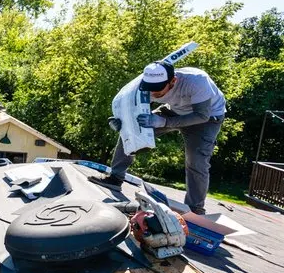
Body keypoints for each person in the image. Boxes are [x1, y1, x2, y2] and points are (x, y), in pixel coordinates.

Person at [91, 61, 227, 215]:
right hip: (175, 110)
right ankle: (115, 178)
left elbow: (202, 115)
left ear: (173, 81)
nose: (153, 94)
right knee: (133, 129)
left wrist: (164, 121)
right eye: (150, 89)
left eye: (158, 90)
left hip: (207, 119)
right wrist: (121, 121)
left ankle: (195, 209)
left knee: (196, 160)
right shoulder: (144, 84)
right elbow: (130, 110)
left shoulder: (197, 81)